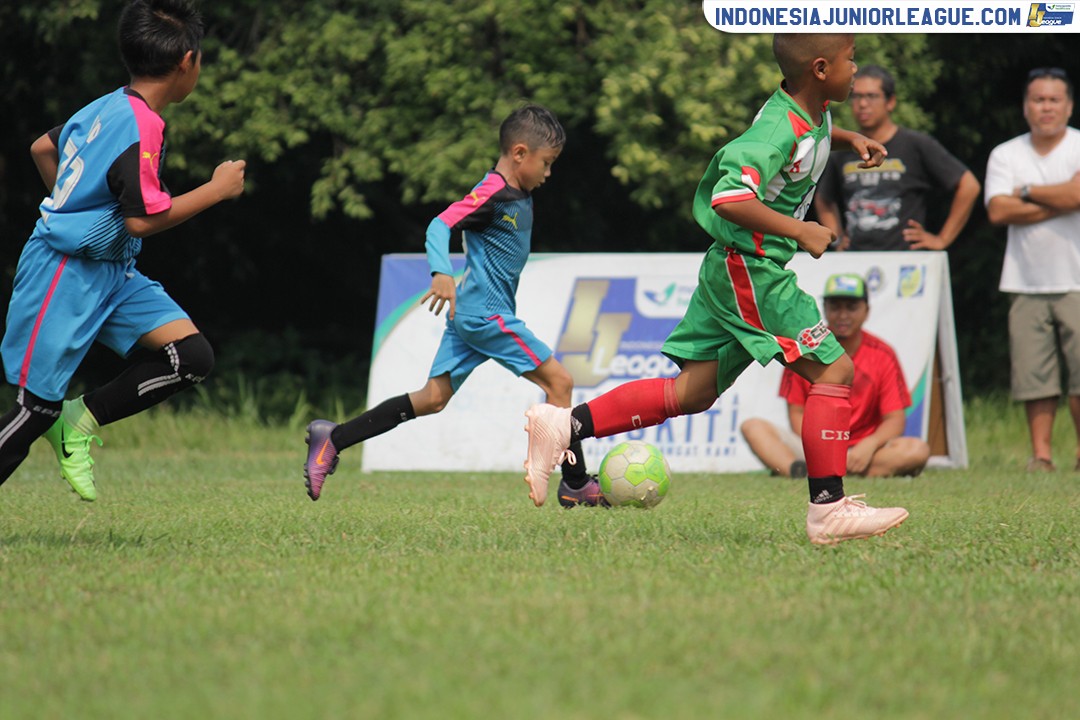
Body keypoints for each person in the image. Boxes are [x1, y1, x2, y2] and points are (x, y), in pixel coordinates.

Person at [522, 34, 910, 546]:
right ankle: (828, 509)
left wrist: (848, 140)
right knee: (834, 371)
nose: (856, 70)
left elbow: (804, 142)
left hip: (732, 268)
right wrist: (801, 230)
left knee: (692, 393)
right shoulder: (777, 128)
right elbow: (729, 198)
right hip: (751, 269)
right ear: (820, 69)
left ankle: (565, 426)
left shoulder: (809, 112)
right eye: (851, 60)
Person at [0, 0, 246, 501]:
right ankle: (56, 419)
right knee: (34, 411)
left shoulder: (109, 105)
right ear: (187, 61)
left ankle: (79, 421)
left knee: (189, 356)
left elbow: (42, 148)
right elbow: (141, 220)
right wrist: (216, 190)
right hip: (63, 273)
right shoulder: (140, 124)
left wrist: (71, 204)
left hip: (112, 271)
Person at [303, 105, 602, 508]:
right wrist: (441, 271)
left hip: (471, 317)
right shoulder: (492, 192)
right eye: (546, 163)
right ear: (519, 153)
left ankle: (334, 438)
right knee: (560, 383)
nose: (548, 173)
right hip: (487, 316)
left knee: (432, 398)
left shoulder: (518, 193)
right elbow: (439, 224)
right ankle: (576, 484)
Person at [740, 273, 931, 479]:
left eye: (851, 308)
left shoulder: (883, 354)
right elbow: (797, 413)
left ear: (867, 311)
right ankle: (801, 471)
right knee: (753, 427)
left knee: (917, 450)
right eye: (835, 307)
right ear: (824, 309)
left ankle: (824, 473)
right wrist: (820, 449)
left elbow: (895, 420)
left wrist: (870, 444)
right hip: (815, 446)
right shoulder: (805, 349)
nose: (843, 315)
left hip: (863, 451)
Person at [985, 67, 1080, 473]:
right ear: (1025, 107)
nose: (1046, 107)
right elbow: (997, 210)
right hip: (1024, 279)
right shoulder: (1005, 154)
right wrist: (1062, 199)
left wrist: (1025, 192)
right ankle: (1041, 455)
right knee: (1034, 375)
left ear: (1069, 106)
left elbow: (1078, 194)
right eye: (1038, 100)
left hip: (1076, 278)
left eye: (1054, 100)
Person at [814, 65, 981, 252]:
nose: (862, 104)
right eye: (856, 96)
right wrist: (837, 239)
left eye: (871, 96)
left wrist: (942, 239)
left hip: (905, 261)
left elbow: (969, 185)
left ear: (891, 101)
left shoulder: (915, 144)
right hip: (856, 260)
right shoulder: (844, 148)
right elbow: (823, 198)